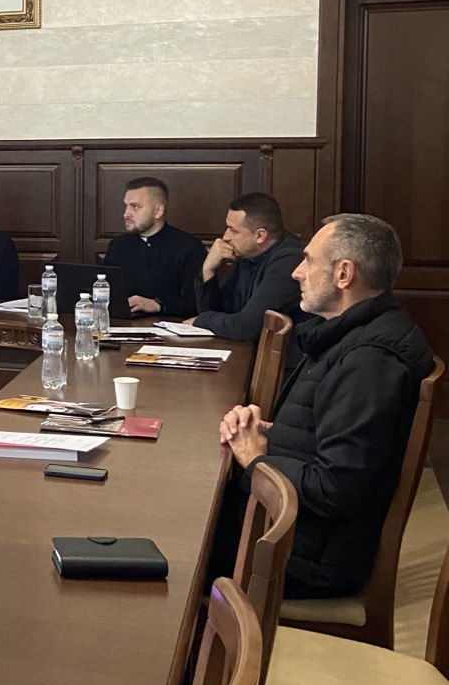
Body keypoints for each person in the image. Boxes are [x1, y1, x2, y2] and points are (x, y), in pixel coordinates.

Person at [219, 214, 434, 597]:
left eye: (308, 260)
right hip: (287, 529)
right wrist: (265, 433)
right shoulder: (352, 334)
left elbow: (335, 487)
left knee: (175, 540)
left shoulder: (370, 360)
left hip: (302, 556)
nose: (297, 272)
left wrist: (256, 460)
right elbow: (329, 435)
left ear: (344, 274)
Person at [188, 192, 309, 340]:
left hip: (285, 354)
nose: (225, 237)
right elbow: (218, 312)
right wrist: (208, 270)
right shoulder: (247, 253)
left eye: (233, 230)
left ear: (260, 236)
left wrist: (202, 320)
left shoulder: (289, 262)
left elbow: (246, 327)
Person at [102, 177, 205, 316]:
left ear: (158, 211)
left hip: (169, 324)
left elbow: (196, 303)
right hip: (121, 323)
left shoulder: (189, 247)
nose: (126, 214)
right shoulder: (118, 245)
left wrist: (158, 305)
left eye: (135, 206)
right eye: (126, 206)